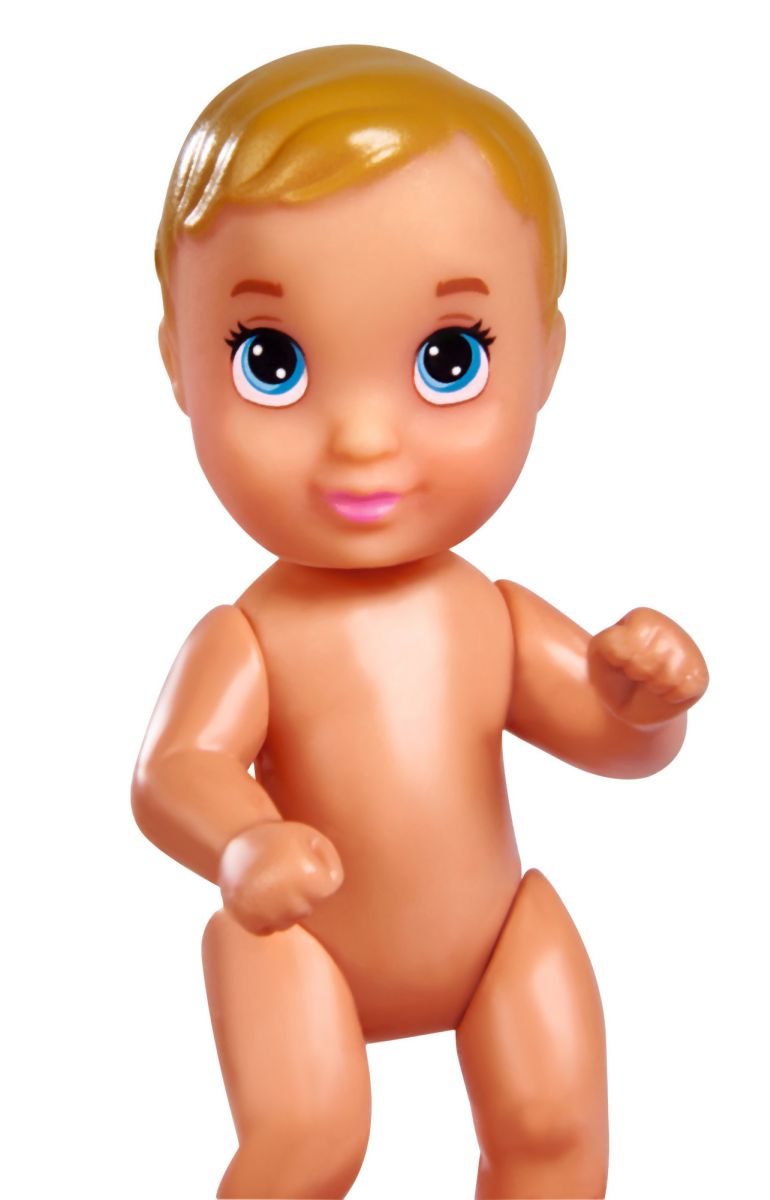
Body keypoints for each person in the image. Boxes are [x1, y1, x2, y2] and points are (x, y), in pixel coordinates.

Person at [133, 45, 708, 1199]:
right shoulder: (251, 634)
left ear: (542, 358)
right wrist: (242, 842)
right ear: (180, 367)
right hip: (304, 945)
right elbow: (172, 770)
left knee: (552, 1131)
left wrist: (638, 702)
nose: (361, 441)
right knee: (309, 1143)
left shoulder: (485, 614)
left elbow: (614, 744)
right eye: (270, 362)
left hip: (490, 941)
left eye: (448, 361)